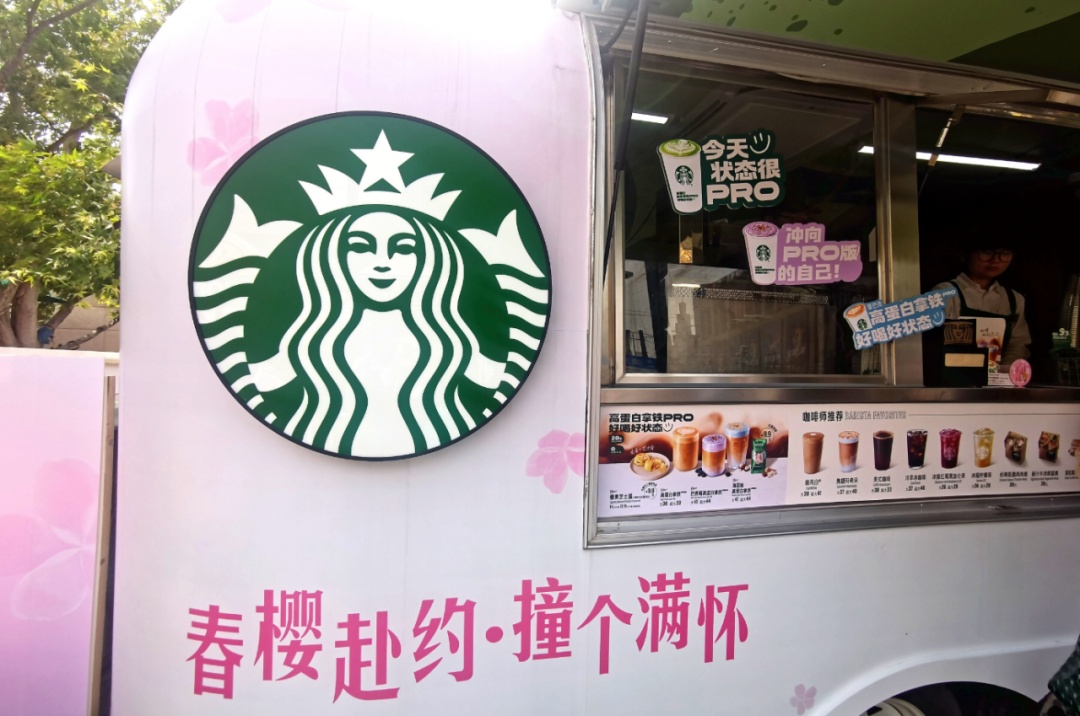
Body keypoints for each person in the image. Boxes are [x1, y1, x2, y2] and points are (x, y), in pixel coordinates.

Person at [934, 241, 1031, 368]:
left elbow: (1018, 344)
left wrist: (1002, 371)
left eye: (1005, 253)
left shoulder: (1014, 299)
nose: (995, 260)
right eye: (987, 252)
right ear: (965, 255)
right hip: (952, 376)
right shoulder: (945, 293)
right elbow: (933, 343)